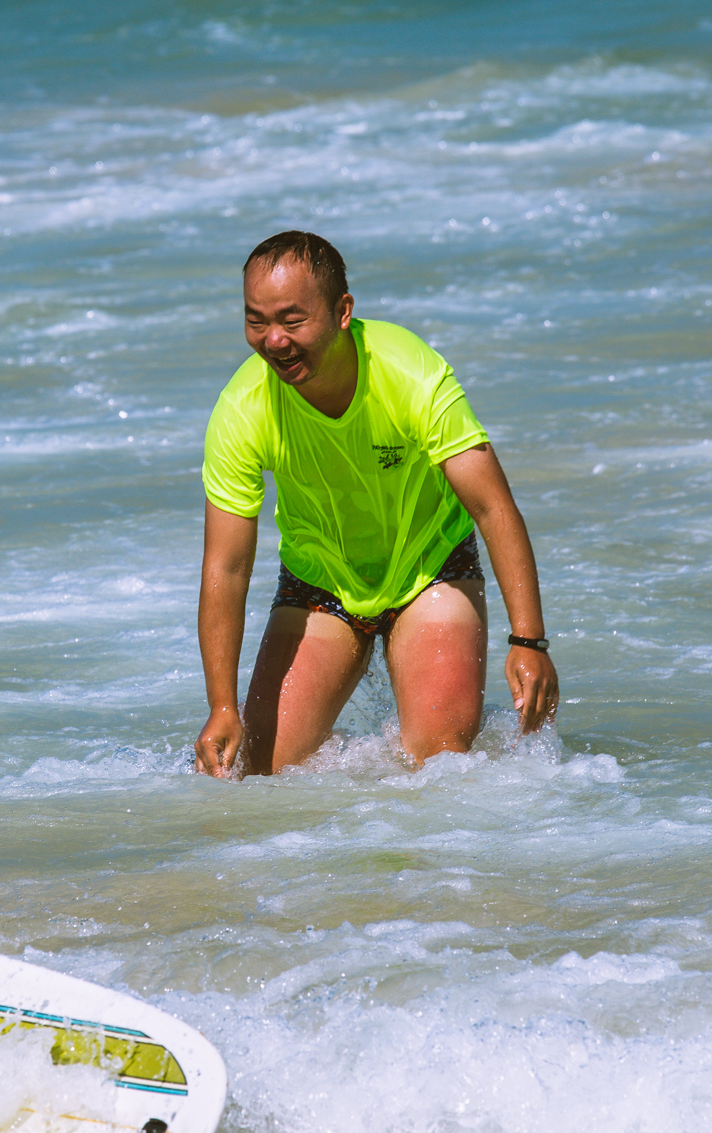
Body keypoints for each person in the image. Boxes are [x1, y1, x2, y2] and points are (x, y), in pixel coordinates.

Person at [193, 231, 558, 777]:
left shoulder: (408, 372)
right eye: (256, 321)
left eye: (292, 321)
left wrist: (528, 639)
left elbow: (492, 508)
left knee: (443, 770)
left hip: (432, 572)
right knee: (251, 777)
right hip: (318, 588)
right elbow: (227, 565)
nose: (273, 341)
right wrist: (221, 705)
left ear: (342, 312)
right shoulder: (242, 409)